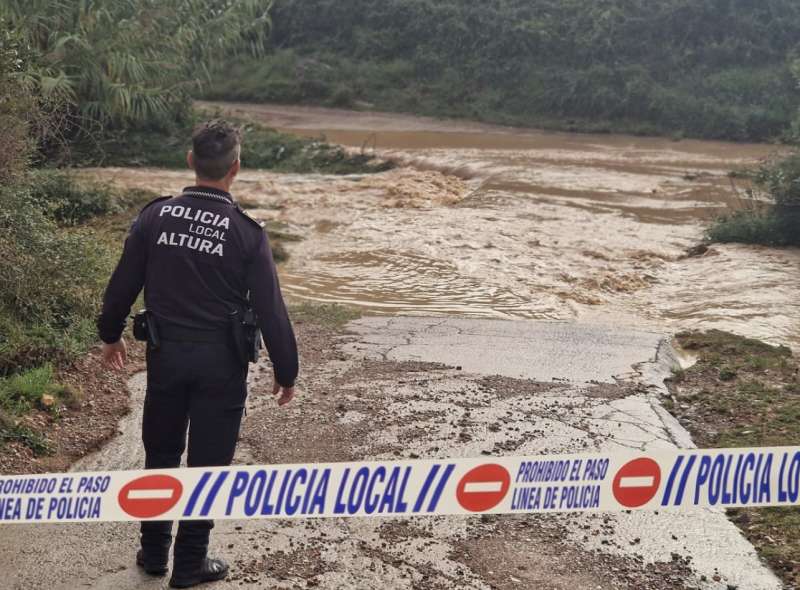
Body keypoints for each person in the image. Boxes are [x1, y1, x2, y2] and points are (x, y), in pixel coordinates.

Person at [97, 119, 299, 588]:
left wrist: (110, 335)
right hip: (221, 366)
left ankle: (153, 553)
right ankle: (190, 563)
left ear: (190, 161)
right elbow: (271, 309)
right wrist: (286, 371)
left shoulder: (154, 217)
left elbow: (123, 284)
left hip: (166, 358)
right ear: (236, 169)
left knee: (162, 451)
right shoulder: (248, 233)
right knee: (208, 463)